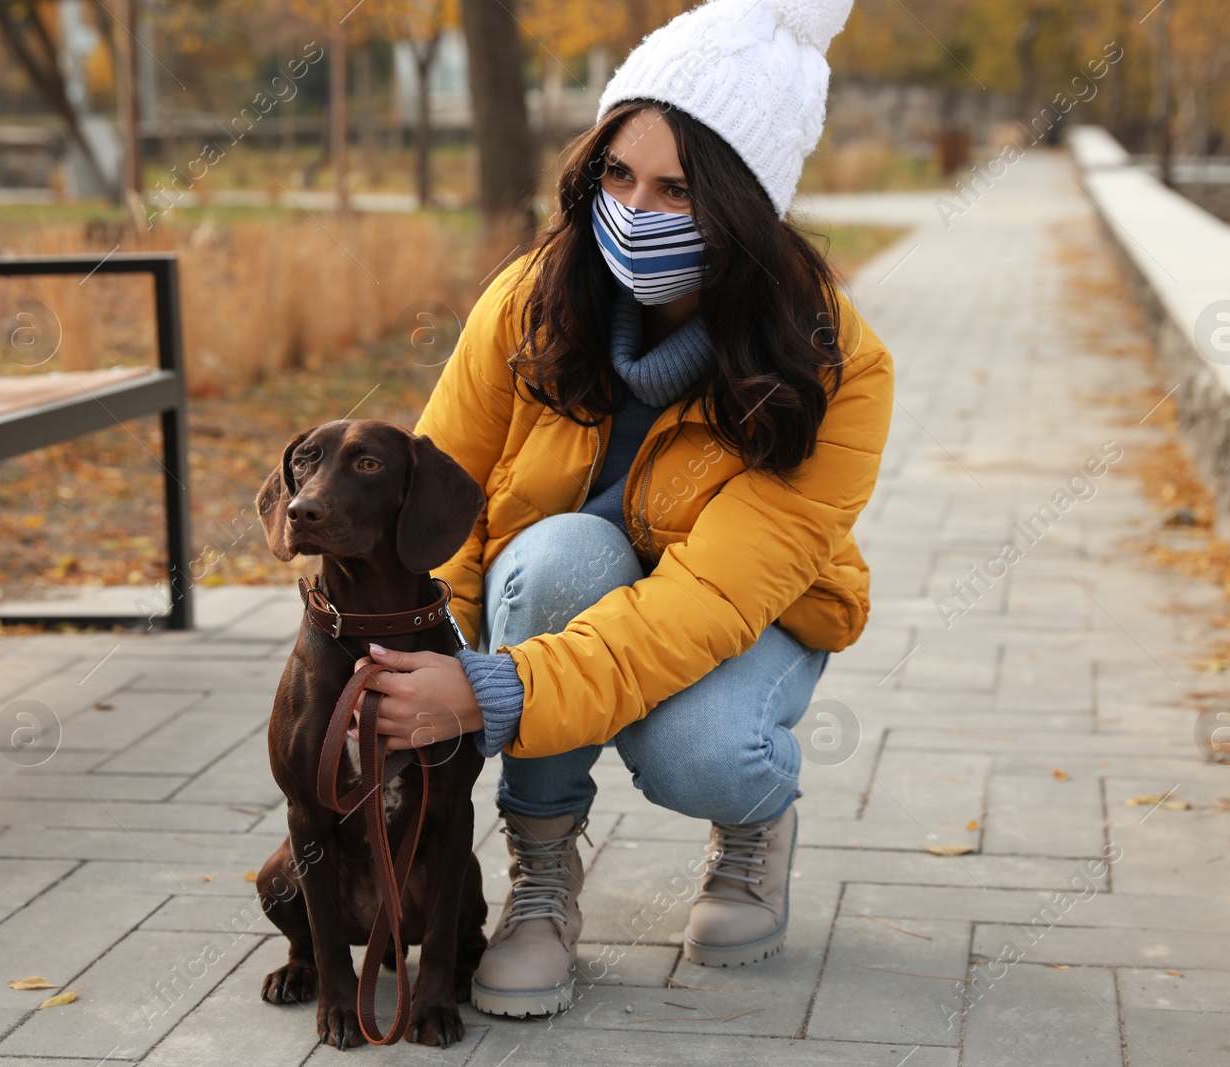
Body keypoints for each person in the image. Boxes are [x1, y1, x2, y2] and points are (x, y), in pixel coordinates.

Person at [356, 0, 891, 1018]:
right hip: (556, 589)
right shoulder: (533, 296)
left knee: (696, 748)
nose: (634, 209)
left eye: (678, 189)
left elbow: (703, 601)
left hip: (745, 611)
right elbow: (426, 495)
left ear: (745, 203)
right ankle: (543, 876)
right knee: (558, 556)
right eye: (617, 173)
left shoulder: (837, 366)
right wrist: (370, 665)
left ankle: (755, 820)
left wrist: (485, 692)